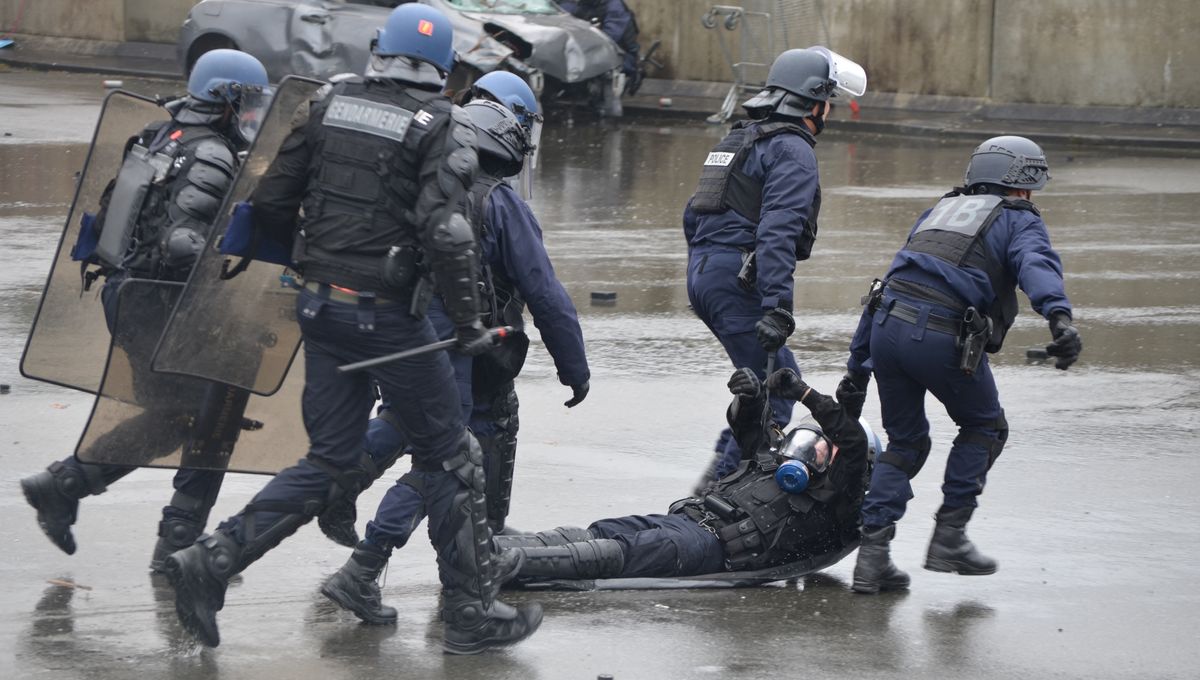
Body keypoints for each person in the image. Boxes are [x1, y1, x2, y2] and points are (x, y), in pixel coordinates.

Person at [160, 4, 543, 654]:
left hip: (319, 308)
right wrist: (472, 322)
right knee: (455, 455)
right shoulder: (441, 124)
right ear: (444, 68)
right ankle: (472, 615)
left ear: (378, 50)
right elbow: (447, 231)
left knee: (332, 460)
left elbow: (274, 201)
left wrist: (312, 273)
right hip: (388, 318)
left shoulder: (330, 102)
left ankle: (213, 558)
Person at [320, 78, 592, 622]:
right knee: (446, 461)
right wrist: (574, 367)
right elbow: (544, 293)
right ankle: (368, 566)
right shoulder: (500, 202)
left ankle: (339, 480)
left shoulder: (418, 182)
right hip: (458, 353)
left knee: (404, 424)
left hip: (397, 333)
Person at [20, 49, 270, 570]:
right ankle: (176, 545)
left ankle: (65, 485)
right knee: (214, 413)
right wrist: (241, 247)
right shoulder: (212, 155)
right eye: (245, 104)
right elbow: (182, 242)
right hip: (165, 305)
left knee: (177, 416)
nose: (250, 116)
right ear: (225, 101)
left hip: (132, 298)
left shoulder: (160, 136)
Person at [843, 135, 1083, 594]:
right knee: (985, 426)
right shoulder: (1018, 217)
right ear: (1024, 185)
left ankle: (872, 560)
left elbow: (891, 283)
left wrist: (857, 368)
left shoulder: (941, 211)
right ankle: (948, 538)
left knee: (906, 443)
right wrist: (1059, 317)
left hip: (886, 329)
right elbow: (1036, 264)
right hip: (939, 336)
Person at [492, 368, 877, 583]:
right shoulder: (771, 465)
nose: (812, 450)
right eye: (810, 440)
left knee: (614, 554)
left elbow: (854, 445)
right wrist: (751, 397)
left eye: (825, 447)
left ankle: (494, 567)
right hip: (684, 519)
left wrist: (806, 393)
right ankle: (488, 547)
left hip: (710, 549)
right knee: (599, 531)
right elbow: (749, 433)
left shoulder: (835, 504)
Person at [684, 47, 866, 487]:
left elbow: (694, 215)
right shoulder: (792, 149)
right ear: (815, 101)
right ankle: (716, 502)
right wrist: (777, 305)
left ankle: (718, 489)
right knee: (776, 394)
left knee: (764, 387)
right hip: (738, 278)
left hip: (706, 273)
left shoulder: (739, 139)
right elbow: (779, 230)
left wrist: (712, 269)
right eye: (830, 102)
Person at [559, 0, 643, 93]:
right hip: (590, 53)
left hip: (621, 56)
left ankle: (607, 103)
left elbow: (610, 37)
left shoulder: (614, 6)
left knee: (603, 72)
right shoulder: (582, 4)